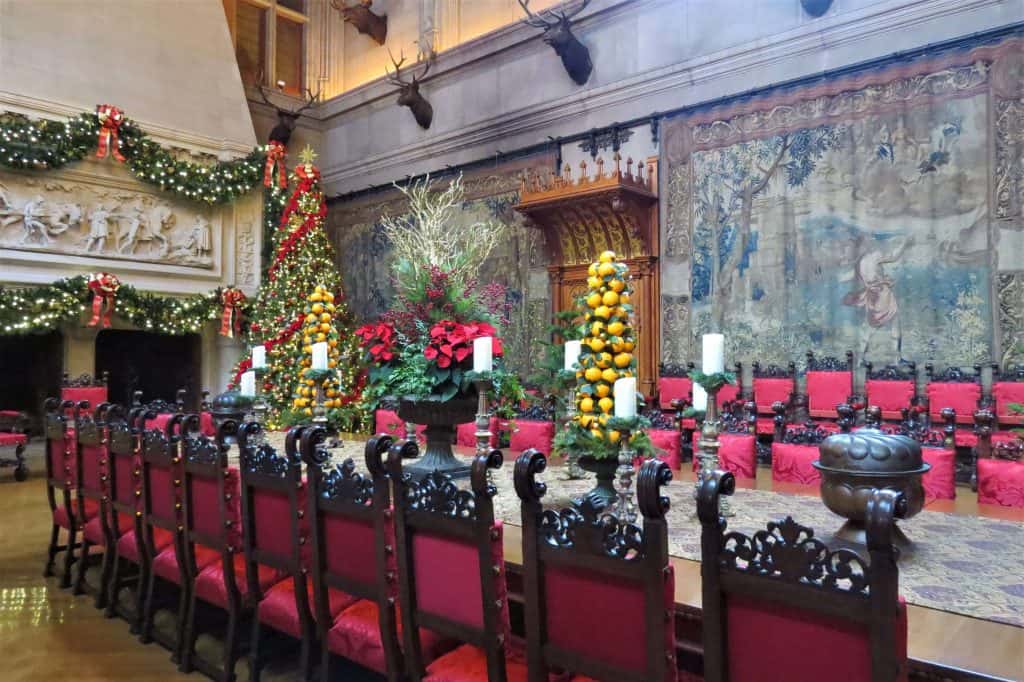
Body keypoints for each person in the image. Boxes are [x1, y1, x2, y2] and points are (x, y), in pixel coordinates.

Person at [841, 233, 915, 358]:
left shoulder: (859, 262)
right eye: (869, 240)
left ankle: (861, 359)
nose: (873, 242)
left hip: (872, 296)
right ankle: (896, 358)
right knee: (893, 322)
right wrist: (904, 244)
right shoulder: (874, 256)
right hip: (882, 294)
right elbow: (893, 257)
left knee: (871, 326)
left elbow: (851, 276)